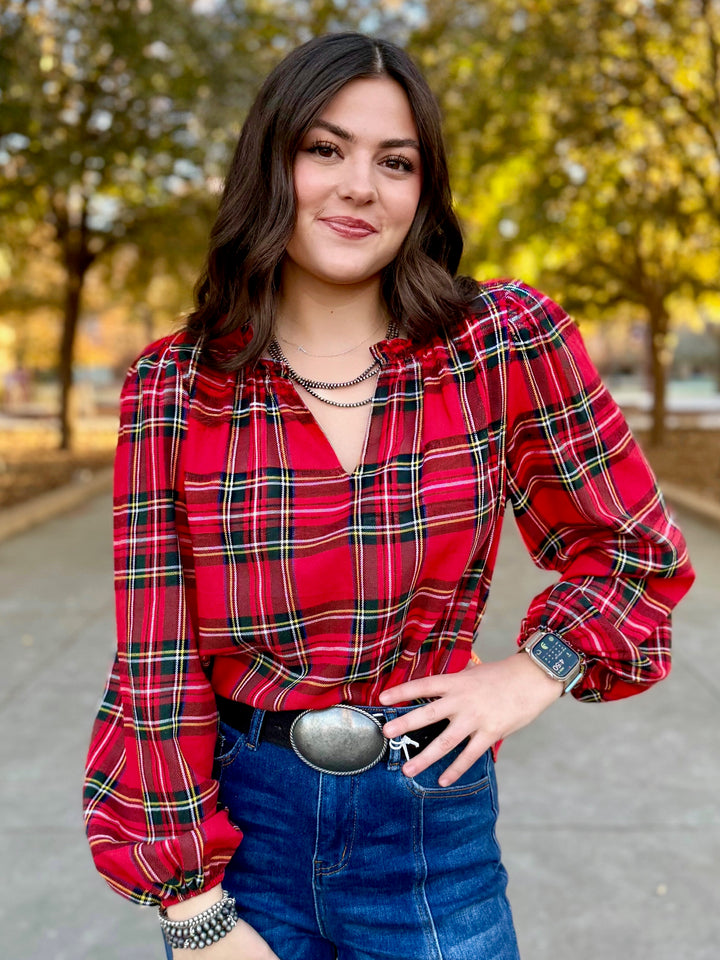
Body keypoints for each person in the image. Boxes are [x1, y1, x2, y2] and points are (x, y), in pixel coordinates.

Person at [83, 31, 695, 960]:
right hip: (247, 838)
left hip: (432, 835)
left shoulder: (499, 343)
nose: (360, 186)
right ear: (271, 164)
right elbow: (155, 660)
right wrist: (192, 909)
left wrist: (535, 671)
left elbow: (638, 550)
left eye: (395, 161)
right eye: (325, 149)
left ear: (424, 190)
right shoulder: (174, 386)